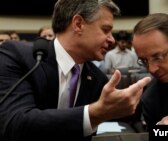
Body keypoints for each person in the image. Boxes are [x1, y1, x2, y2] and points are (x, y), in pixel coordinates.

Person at [0, 0, 151, 141]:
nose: (112, 39)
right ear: (78, 24)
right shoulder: (18, 56)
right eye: (105, 30)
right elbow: (14, 124)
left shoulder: (96, 78)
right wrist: (94, 113)